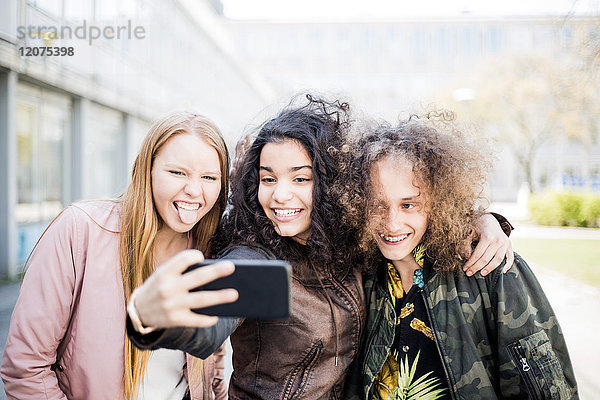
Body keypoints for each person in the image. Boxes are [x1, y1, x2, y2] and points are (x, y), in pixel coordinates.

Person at [126, 96, 514, 399]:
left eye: (301, 178)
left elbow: (413, 210)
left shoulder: (355, 244)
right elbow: (211, 324)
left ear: (331, 183)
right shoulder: (257, 257)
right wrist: (153, 319)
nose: (280, 195)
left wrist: (482, 221)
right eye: (268, 178)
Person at [1, 112, 238, 400]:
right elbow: (25, 367)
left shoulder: (209, 252)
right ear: (147, 169)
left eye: (209, 177)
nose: (193, 190)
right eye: (177, 172)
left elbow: (213, 364)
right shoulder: (80, 230)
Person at [341, 112, 578, 399]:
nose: (391, 224)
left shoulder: (491, 268)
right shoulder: (361, 276)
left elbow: (545, 391)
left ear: (439, 201)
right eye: (377, 206)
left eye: (409, 205)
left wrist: (487, 221)